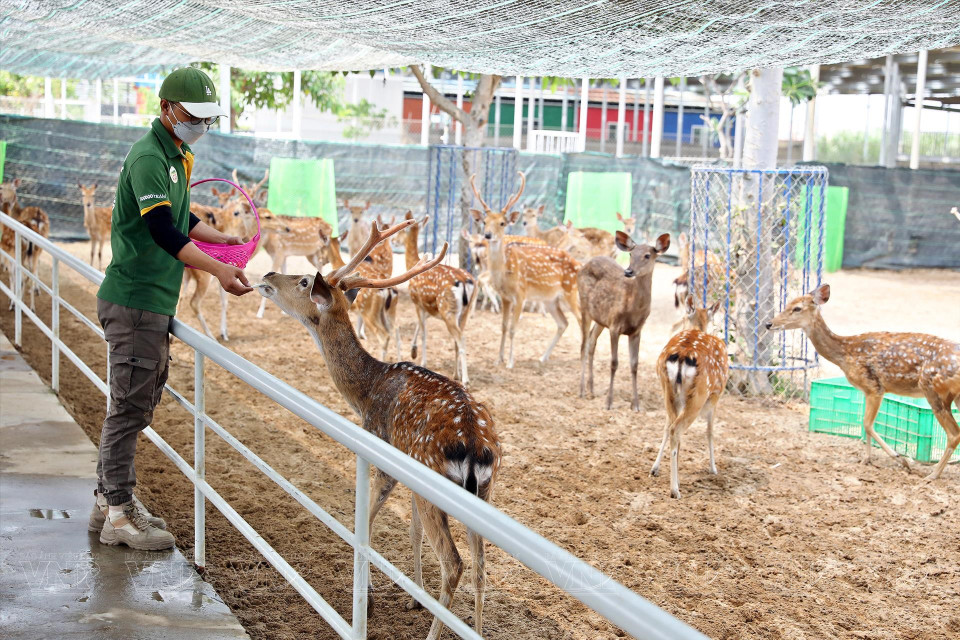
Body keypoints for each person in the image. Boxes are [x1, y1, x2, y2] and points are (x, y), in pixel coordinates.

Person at [89, 67, 253, 551]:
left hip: (153, 303)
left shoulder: (177, 154)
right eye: (193, 116)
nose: (200, 125)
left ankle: (109, 502)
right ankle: (119, 511)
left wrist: (222, 240)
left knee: (135, 404)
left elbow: (183, 219)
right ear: (166, 109)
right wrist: (220, 271)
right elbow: (163, 230)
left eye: (207, 118)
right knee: (127, 410)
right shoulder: (147, 158)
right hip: (135, 301)